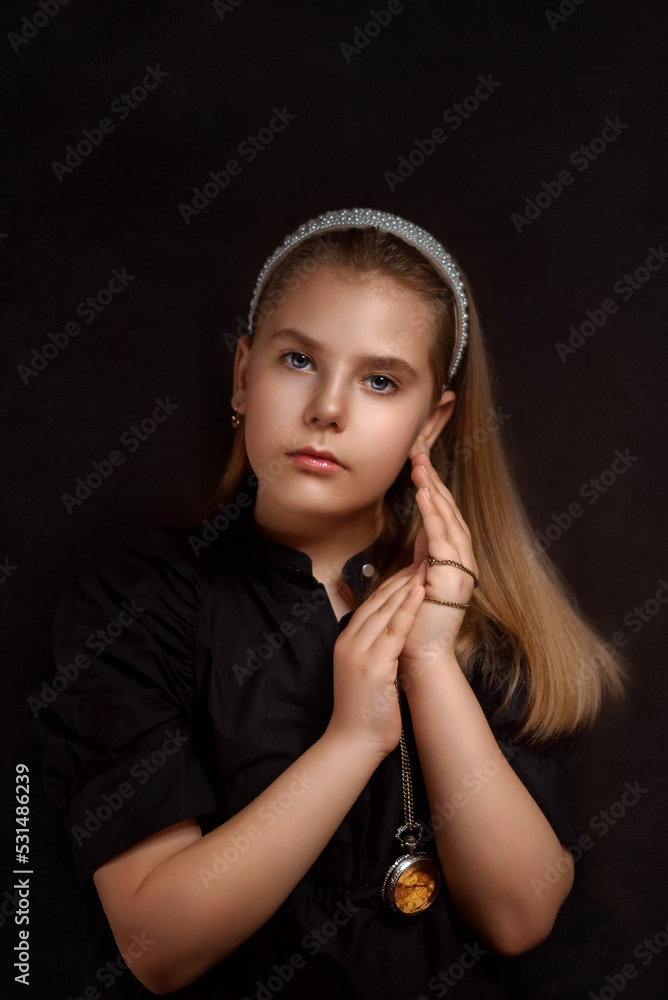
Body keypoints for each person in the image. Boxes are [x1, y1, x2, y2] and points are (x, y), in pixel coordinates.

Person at [27, 207, 628, 998]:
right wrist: (353, 739)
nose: (328, 409)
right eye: (298, 360)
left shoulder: (479, 618)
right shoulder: (138, 595)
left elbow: (519, 917)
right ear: (244, 376)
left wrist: (429, 660)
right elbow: (157, 945)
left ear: (430, 423)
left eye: (381, 381)